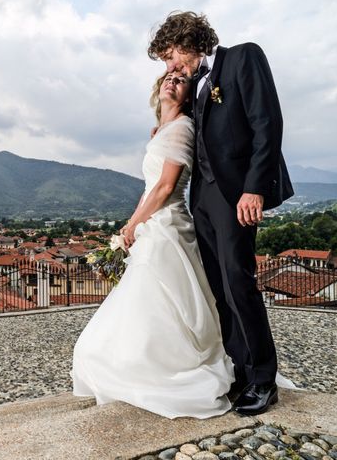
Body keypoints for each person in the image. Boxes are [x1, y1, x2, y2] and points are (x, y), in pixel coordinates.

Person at [147, 11, 294, 415]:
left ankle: (264, 379)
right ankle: (240, 372)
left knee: (238, 282)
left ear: (186, 41)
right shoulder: (195, 86)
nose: (169, 66)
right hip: (203, 202)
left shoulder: (243, 57)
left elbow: (268, 124)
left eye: (169, 55)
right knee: (218, 290)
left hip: (236, 196)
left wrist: (254, 189)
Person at [71, 71, 236, 419]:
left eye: (180, 80)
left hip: (168, 224)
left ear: (188, 95)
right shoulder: (163, 131)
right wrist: (131, 223)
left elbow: (164, 188)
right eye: (167, 78)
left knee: (164, 295)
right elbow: (149, 188)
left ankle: (160, 366)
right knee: (147, 296)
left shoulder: (182, 128)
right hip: (153, 223)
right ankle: (139, 361)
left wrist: (134, 223)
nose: (172, 81)